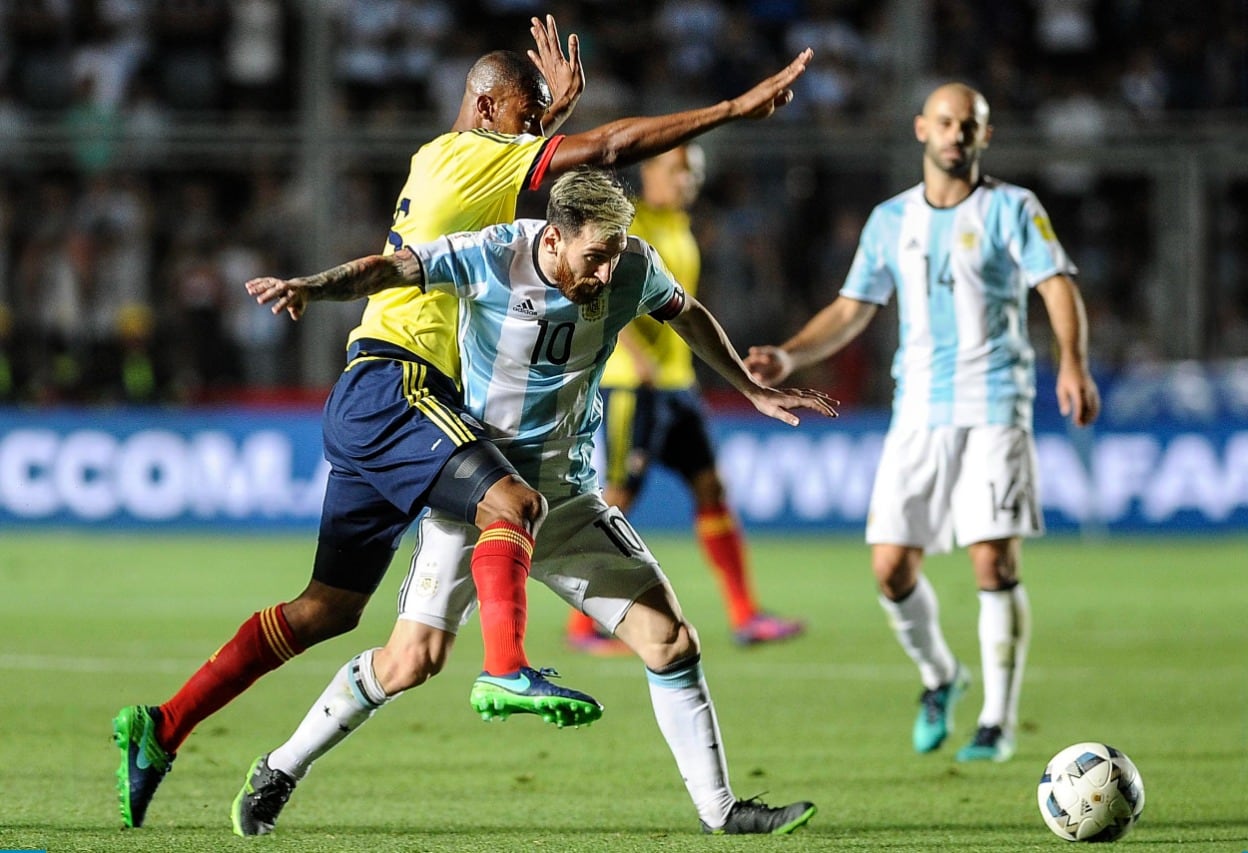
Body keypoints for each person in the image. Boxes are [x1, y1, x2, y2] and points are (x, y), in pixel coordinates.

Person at [113, 16, 816, 829]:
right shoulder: (494, 215)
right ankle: (508, 667)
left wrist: (551, 107)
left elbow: (593, 215)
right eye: (530, 119)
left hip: (437, 417)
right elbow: (610, 150)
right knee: (508, 502)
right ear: (489, 114)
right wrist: (733, 107)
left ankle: (172, 726)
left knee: (341, 615)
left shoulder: (448, 162)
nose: (541, 134)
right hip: (400, 384)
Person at [236, 168, 835, 836]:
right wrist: (310, 288)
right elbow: (389, 269)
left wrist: (749, 386)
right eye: (593, 257)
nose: (606, 275)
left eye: (613, 256)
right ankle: (281, 768)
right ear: (552, 238)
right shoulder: (492, 254)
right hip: (482, 494)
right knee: (411, 661)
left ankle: (722, 811)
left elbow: (686, 312)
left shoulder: (634, 265)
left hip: (569, 496)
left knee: (670, 639)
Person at [745, 82, 1101, 763]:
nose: (956, 133)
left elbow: (1057, 284)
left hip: (996, 402)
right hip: (919, 411)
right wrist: (790, 352)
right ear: (920, 129)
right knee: (890, 569)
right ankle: (942, 675)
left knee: (993, 557)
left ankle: (997, 719)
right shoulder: (890, 220)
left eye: (969, 124)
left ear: (984, 136)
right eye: (945, 121)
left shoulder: (1013, 208)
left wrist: (1073, 364)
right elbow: (852, 309)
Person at [565, 143, 804, 654]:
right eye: (677, 170)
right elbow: (601, 291)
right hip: (635, 384)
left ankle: (745, 615)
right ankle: (583, 625)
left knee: (711, 488)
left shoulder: (682, 226)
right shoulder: (634, 226)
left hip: (678, 386)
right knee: (618, 496)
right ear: (650, 172)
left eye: (694, 172)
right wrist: (634, 352)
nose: (688, 180)